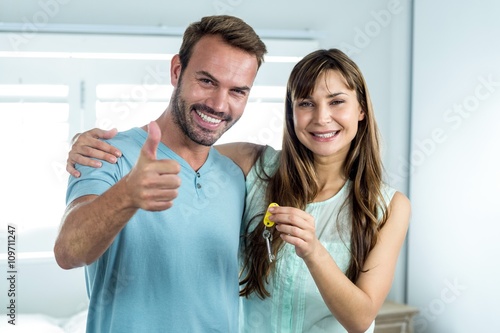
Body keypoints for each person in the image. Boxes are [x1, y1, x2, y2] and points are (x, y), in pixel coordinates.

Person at [67, 49, 410, 333]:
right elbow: (181, 150)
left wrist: (313, 252)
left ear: (361, 109)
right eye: (305, 103)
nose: (322, 117)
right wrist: (89, 143)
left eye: (337, 102)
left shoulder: (390, 206)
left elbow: (361, 318)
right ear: (291, 113)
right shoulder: (252, 164)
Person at [54, 15, 267, 332]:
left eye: (237, 91)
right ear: (177, 71)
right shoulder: (107, 153)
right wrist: (127, 195)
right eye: (206, 81)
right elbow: (69, 251)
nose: (219, 104)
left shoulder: (237, 174)